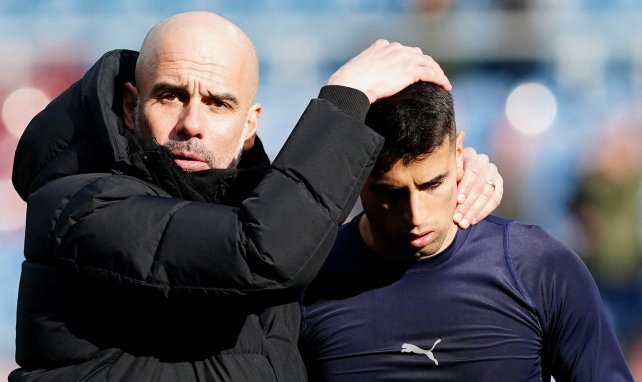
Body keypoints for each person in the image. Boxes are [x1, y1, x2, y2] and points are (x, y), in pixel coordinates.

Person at [10, 11, 501, 382]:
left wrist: (450, 181)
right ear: (130, 104)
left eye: (218, 103)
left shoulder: (256, 207)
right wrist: (346, 98)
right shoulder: (79, 206)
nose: (192, 124)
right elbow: (261, 253)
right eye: (170, 95)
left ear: (250, 125)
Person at [300, 82, 634, 381]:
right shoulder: (308, 280)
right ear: (357, 174)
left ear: (459, 155)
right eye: (391, 192)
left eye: (433, 184)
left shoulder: (537, 268)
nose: (415, 214)